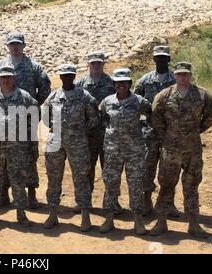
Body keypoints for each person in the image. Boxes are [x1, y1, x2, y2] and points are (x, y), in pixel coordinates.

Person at [150, 62, 212, 238]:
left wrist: (195, 131)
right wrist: (167, 136)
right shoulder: (164, 96)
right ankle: (161, 222)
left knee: (192, 186)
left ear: (190, 75)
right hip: (170, 150)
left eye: (186, 74)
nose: (183, 77)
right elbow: (156, 118)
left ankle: (194, 224)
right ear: (175, 75)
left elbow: (210, 116)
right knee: (166, 185)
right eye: (179, 74)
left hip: (192, 150)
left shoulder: (202, 95)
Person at [0, 31, 51, 208]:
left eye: (18, 44)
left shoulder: (34, 67)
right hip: (3, 123)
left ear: (23, 45)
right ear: (7, 46)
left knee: (29, 155)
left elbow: (45, 88)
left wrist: (33, 107)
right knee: (3, 157)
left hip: (26, 121)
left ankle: (31, 194)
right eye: (12, 44)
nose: (15, 47)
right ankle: (5, 194)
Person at [41, 64, 100, 231]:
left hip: (78, 143)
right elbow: (45, 117)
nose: (66, 78)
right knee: (53, 178)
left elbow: (94, 119)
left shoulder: (84, 96)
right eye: (63, 75)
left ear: (74, 77)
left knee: (81, 178)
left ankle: (85, 216)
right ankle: (52, 214)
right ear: (60, 77)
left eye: (69, 75)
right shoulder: (53, 96)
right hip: (56, 142)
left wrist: (80, 132)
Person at [0, 65, 38, 227]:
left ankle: (21, 214)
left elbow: (33, 117)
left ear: (14, 78)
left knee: (18, 179)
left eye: (9, 77)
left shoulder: (24, 97)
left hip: (17, 148)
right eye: (3, 77)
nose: (6, 80)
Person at [98, 68, 151, 235]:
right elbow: (102, 117)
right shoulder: (106, 102)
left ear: (130, 84)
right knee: (111, 183)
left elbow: (150, 114)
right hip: (113, 150)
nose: (121, 85)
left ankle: (138, 220)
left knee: (135, 185)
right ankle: (109, 218)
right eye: (118, 82)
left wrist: (142, 130)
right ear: (114, 84)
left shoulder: (139, 102)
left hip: (134, 151)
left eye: (125, 82)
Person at [134, 45, 177, 216]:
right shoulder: (144, 81)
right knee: (147, 166)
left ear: (168, 59)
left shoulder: (176, 80)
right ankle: (146, 200)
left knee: (170, 168)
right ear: (153, 59)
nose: (161, 60)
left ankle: (168, 203)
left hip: (170, 132)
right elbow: (135, 104)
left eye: (164, 57)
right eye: (158, 57)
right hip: (149, 132)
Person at [74, 51, 117, 214]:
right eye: (93, 63)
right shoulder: (80, 83)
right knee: (87, 169)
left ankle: (112, 202)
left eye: (99, 63)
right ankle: (84, 201)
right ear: (88, 65)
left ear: (103, 64)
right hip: (88, 135)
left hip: (108, 134)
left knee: (110, 169)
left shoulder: (111, 83)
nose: (96, 66)